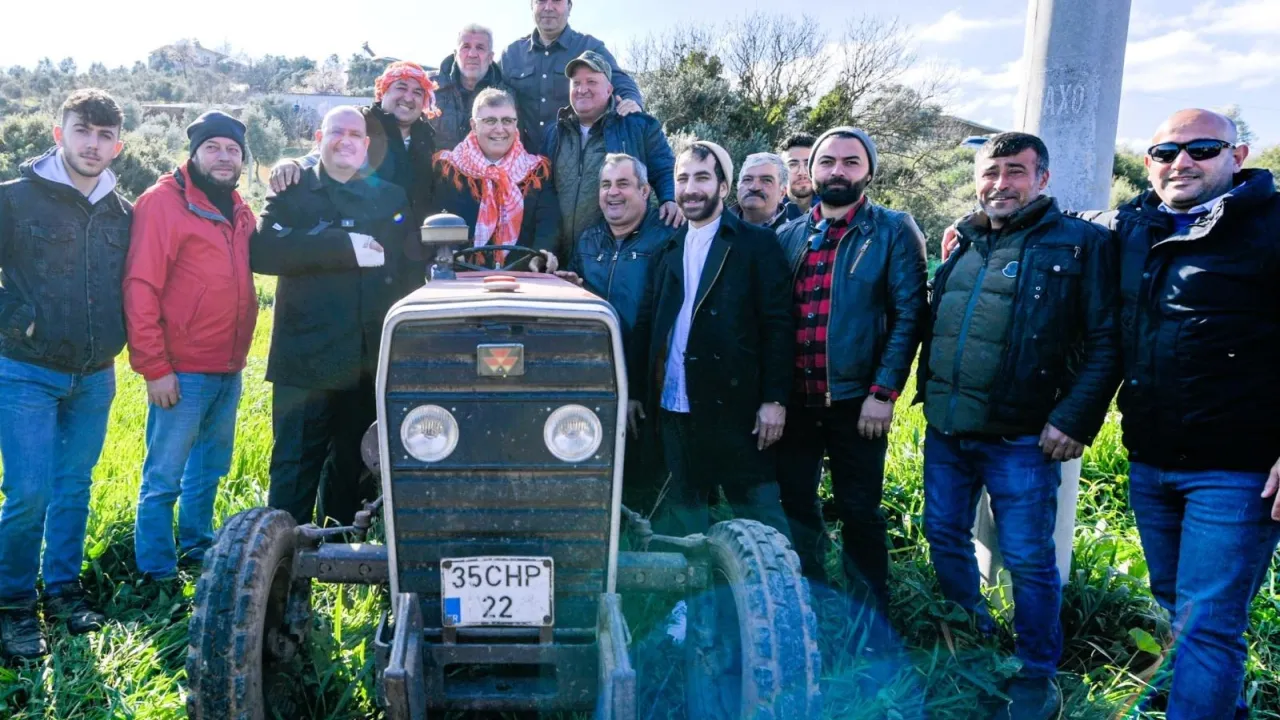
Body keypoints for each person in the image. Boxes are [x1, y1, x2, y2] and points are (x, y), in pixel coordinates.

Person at [917, 132, 1118, 719]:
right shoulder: (965, 240)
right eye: (990, 172)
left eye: (1015, 171)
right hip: (947, 429)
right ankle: (972, 644)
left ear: (1042, 179)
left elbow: (1108, 340)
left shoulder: (1080, 244)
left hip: (1024, 439)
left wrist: (1075, 417)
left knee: (1029, 559)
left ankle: (1035, 673)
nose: (1000, 183)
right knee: (943, 535)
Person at [1087, 109, 1280, 719]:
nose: (1181, 163)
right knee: (1183, 613)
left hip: (1238, 471)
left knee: (1206, 625)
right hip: (1151, 460)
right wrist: (974, 224)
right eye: (1165, 152)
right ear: (1148, 163)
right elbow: (1071, 221)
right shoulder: (1136, 225)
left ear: (1237, 156)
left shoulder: (1272, 227)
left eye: (1201, 149)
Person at [772, 127, 927, 640]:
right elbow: (776, 319)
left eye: (851, 162)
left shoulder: (892, 230)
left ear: (869, 171)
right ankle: (811, 609)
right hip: (797, 401)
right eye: (828, 161)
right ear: (811, 170)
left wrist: (884, 392)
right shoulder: (790, 234)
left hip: (858, 401)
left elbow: (909, 315)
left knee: (859, 513)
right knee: (797, 505)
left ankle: (870, 627)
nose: (838, 170)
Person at [0, 89, 130, 659]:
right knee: (29, 491)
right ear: (59, 134)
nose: (92, 144)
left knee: (74, 487)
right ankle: (12, 605)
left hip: (96, 374)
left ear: (117, 146)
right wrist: (17, 318)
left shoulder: (123, 213)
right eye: (82, 131)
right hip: (25, 372)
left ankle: (62, 591)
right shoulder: (13, 199)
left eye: (104, 135)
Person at [253, 106, 418, 527]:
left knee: (351, 469)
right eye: (336, 132)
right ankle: (284, 558)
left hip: (365, 361)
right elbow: (264, 251)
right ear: (318, 139)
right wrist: (343, 246)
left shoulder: (390, 198)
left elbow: (401, 267)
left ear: (366, 145)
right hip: (304, 359)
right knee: (293, 468)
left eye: (355, 135)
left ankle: (339, 552)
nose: (346, 141)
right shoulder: (294, 190)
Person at [632, 141, 794, 538]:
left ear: (723, 186)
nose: (690, 189)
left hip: (736, 410)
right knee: (684, 521)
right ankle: (696, 582)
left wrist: (774, 400)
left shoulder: (756, 244)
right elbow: (648, 325)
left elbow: (778, 326)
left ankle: (779, 581)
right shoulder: (667, 248)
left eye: (702, 178)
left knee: (761, 521)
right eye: (682, 179)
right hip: (675, 406)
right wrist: (637, 391)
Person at [123, 112, 258, 582]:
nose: (224, 157)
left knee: (208, 470)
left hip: (228, 367)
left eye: (233, 150)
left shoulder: (238, 207)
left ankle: (197, 549)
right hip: (181, 371)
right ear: (194, 153)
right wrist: (155, 368)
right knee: (164, 477)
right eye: (213, 147)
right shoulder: (162, 203)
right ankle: (156, 573)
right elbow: (140, 286)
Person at [556, 153, 676, 511]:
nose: (613, 193)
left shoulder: (667, 238)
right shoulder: (587, 240)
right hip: (594, 379)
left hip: (648, 384)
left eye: (623, 184)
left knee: (643, 487)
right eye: (606, 185)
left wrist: (636, 389)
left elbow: (658, 323)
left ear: (645, 190)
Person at [544, 51, 679, 259]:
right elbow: (544, 192)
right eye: (576, 83)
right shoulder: (554, 132)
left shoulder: (638, 125)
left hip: (612, 258)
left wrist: (670, 198)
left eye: (591, 82)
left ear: (609, 89)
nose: (582, 89)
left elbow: (664, 168)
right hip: (558, 258)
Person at [270, 61, 439, 224]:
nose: (408, 97)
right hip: (361, 233)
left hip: (412, 236)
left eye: (418, 92)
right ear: (383, 91)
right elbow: (322, 155)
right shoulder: (361, 122)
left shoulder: (429, 138)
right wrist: (291, 163)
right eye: (401, 88)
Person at [433, 88, 560, 266]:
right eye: (490, 121)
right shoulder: (449, 168)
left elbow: (548, 223)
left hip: (523, 274)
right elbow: (438, 220)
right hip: (463, 274)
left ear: (516, 124)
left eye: (507, 121)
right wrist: (451, 252)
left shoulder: (537, 171)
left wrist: (540, 255)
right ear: (473, 125)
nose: (499, 129)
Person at [498, 0, 644, 152]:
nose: (548, 7)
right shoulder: (511, 54)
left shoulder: (590, 47)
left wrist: (632, 101)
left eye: (556, 1)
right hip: (523, 160)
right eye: (541, 1)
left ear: (569, 7)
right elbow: (489, 90)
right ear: (531, 6)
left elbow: (620, 80)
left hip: (573, 159)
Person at [430, 24, 513, 151]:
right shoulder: (430, 88)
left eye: (480, 48)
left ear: (490, 57)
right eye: (466, 47)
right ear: (456, 54)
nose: (472, 54)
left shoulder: (508, 97)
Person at [732, 152, 794, 231]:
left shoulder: (795, 235)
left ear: (782, 193)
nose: (754, 187)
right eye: (747, 179)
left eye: (766, 180)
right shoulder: (718, 229)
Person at [778, 132, 817, 216]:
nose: (802, 172)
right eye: (793, 164)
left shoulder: (836, 207)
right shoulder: (770, 211)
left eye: (808, 163)